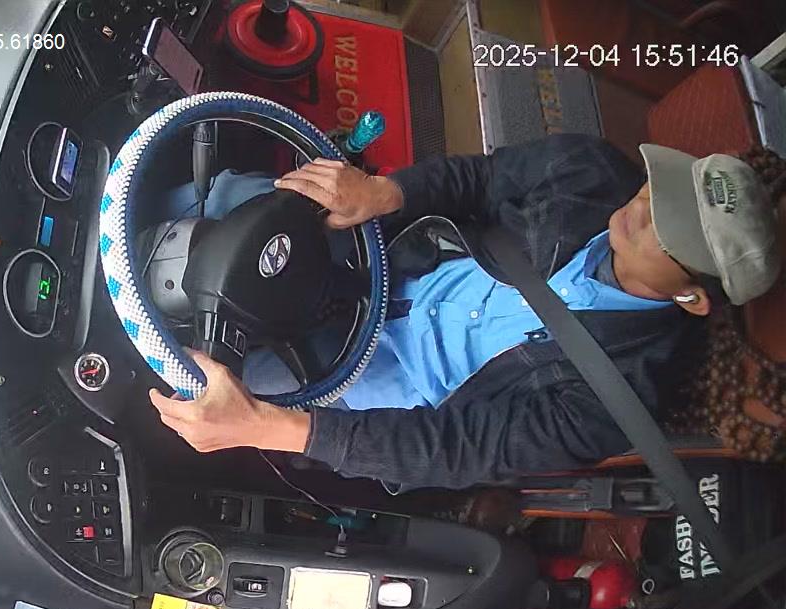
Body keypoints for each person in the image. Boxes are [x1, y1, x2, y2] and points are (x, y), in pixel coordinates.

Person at [148, 134, 781, 490]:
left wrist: (266, 428)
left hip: (388, 377)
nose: (642, 208)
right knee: (228, 205)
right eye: (661, 189)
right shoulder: (590, 174)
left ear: (692, 297)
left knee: (196, 377)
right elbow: (482, 178)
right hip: (393, 251)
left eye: (669, 228)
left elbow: (454, 448)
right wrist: (385, 191)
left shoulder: (618, 401)